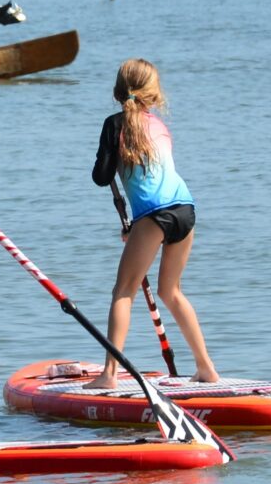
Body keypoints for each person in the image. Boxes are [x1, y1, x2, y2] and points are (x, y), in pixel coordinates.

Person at [85, 58, 219, 391]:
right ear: (153, 95)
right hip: (186, 209)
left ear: (118, 92)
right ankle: (206, 368)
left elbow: (101, 177)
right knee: (171, 291)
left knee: (123, 292)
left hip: (154, 215)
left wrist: (108, 152)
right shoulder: (159, 126)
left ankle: (109, 375)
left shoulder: (114, 125)